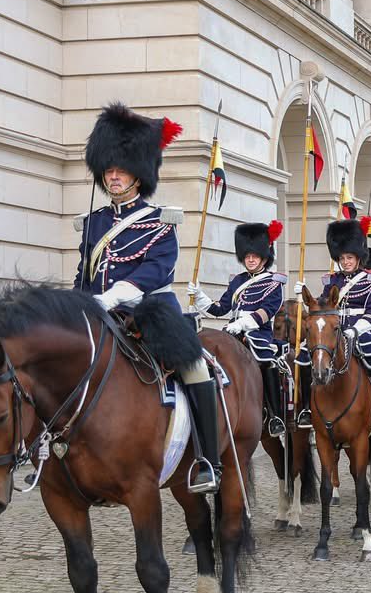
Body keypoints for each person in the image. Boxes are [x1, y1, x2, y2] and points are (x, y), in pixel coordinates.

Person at [75, 101, 220, 493]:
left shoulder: (160, 220)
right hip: (99, 313)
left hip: (150, 311)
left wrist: (114, 296)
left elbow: (157, 270)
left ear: (139, 174)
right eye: (109, 169)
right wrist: (76, 306)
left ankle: (208, 460)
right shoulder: (94, 223)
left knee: (195, 368)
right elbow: (83, 274)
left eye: (122, 169)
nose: (114, 176)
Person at [294, 219, 371, 436]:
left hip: (363, 331)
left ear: (358, 258)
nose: (345, 262)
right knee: (304, 358)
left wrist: (356, 330)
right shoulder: (331, 280)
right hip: (334, 331)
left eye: (349, 258)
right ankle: (305, 408)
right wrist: (303, 297)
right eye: (342, 258)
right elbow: (322, 306)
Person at [190, 220, 287, 438]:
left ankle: (275, 415)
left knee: (266, 358)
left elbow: (266, 313)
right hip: (232, 330)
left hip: (258, 333)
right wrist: (199, 296)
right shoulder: (237, 282)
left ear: (264, 256)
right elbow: (219, 308)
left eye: (255, 255)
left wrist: (242, 325)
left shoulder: (274, 282)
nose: (250, 259)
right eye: (247, 256)